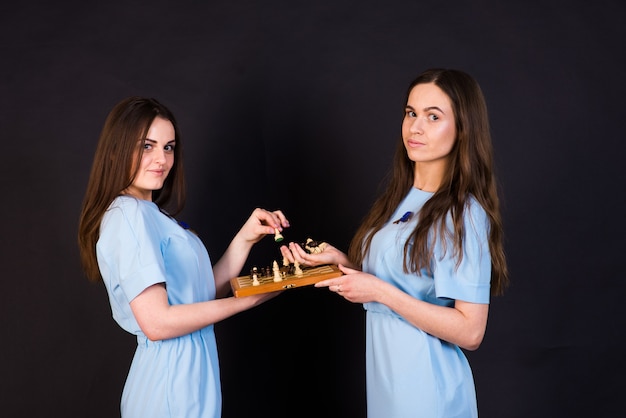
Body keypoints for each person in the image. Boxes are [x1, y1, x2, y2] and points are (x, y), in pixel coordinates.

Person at [280, 68, 508, 417]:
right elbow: (399, 282)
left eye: (434, 117)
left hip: (428, 392)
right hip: (389, 386)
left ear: (463, 128)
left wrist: (379, 291)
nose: (416, 127)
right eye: (411, 113)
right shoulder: (402, 198)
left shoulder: (464, 214)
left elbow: (471, 330)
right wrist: (342, 264)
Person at [77, 96, 287, 417]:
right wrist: (250, 299)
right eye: (146, 146)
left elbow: (198, 295)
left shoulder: (152, 214)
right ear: (117, 150)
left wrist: (245, 238)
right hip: (167, 383)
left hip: (191, 377)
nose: (161, 158)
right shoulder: (128, 215)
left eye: (169, 147)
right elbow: (157, 323)